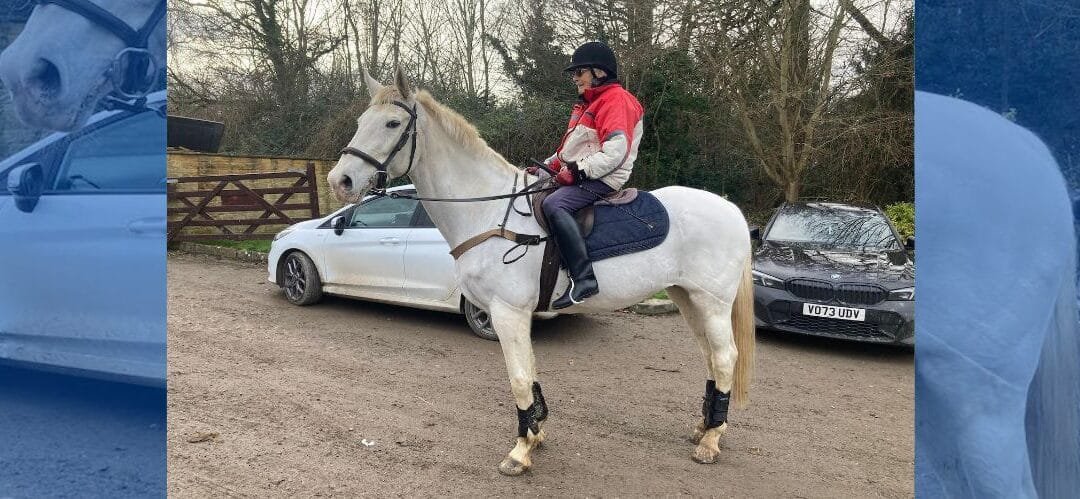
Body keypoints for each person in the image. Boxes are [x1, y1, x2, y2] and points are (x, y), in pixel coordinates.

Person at [530, 41, 644, 309]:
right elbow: (569, 151)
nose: (575, 78)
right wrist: (546, 167)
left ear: (598, 72)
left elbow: (615, 152)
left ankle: (584, 278)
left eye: (579, 72)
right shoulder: (588, 104)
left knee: (554, 204)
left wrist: (578, 172)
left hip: (604, 177)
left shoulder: (616, 100)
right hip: (585, 173)